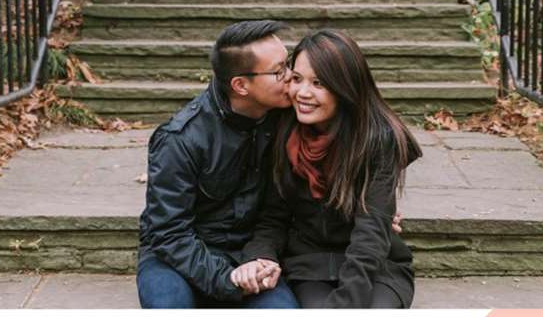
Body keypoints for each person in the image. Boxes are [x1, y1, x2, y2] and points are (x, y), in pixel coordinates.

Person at [137, 21, 405, 308]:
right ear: (241, 86)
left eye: (287, 65)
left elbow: (342, 149)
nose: (292, 79)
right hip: (179, 255)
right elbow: (169, 234)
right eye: (280, 72)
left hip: (252, 252)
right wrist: (227, 280)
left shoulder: (286, 115)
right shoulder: (180, 140)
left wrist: (372, 208)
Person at [234, 29, 422, 308]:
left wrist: (345, 305)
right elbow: (274, 215)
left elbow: (371, 232)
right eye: (297, 79)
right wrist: (261, 254)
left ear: (344, 87)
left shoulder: (378, 139)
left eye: (319, 82)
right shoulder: (285, 131)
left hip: (375, 268)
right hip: (312, 266)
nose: (303, 93)